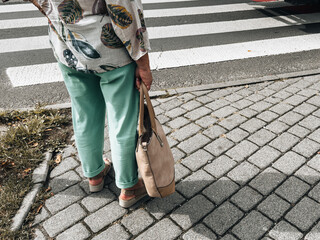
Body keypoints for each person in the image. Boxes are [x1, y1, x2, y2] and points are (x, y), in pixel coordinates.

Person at [5, 0, 153, 208]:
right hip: (111, 50)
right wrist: (143, 63)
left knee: (84, 111)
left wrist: (50, 12)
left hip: (68, 45)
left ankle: (94, 174)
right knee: (123, 117)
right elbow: (124, 10)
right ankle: (128, 188)